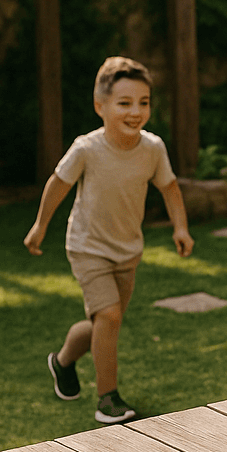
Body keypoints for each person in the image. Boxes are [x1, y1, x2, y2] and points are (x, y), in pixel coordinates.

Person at [24, 56, 194, 424]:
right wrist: (40, 226)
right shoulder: (87, 148)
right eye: (124, 103)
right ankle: (108, 399)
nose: (135, 111)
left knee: (106, 322)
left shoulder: (153, 148)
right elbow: (58, 184)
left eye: (143, 102)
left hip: (127, 250)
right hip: (87, 247)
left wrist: (180, 228)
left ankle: (63, 360)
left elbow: (169, 187)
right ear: (100, 106)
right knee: (110, 315)